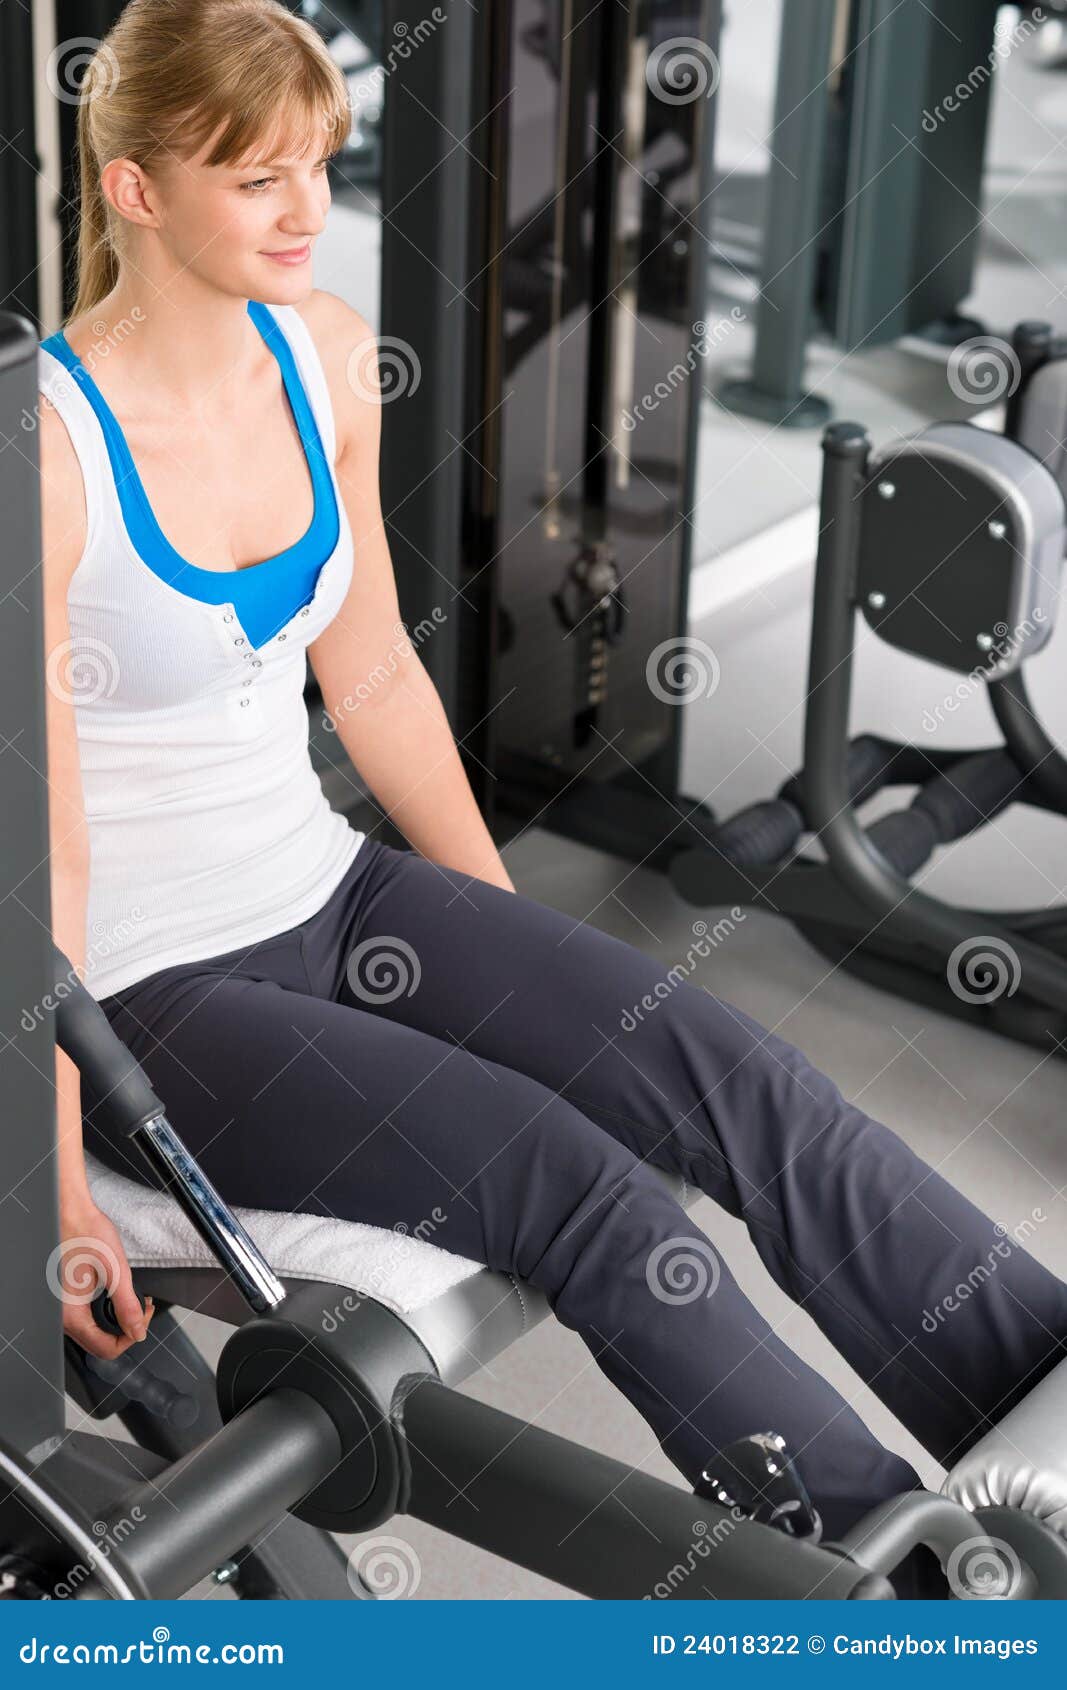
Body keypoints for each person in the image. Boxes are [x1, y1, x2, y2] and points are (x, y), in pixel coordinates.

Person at [37, 0, 1067, 1600]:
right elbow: (45, 847)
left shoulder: (315, 357)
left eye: (323, 162)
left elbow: (369, 669)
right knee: (568, 1182)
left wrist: (513, 964)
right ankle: (915, 1591)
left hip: (337, 889)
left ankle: (1041, 1415)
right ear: (136, 191)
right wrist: (51, 1182)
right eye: (257, 180)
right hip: (156, 994)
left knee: (725, 1066)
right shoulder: (47, 450)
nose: (311, 208)